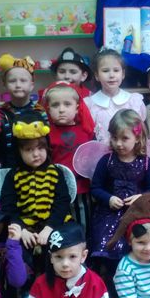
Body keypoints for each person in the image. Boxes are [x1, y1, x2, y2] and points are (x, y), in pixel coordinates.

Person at [0, 114, 73, 276]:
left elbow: (62, 203)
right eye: (29, 150)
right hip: (25, 227)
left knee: (66, 241)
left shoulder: (55, 172)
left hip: (54, 224)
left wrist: (49, 228)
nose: (36, 154)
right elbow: (7, 207)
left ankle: (58, 281)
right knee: (19, 251)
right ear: (19, 151)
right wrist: (22, 229)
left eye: (40, 148)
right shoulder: (13, 175)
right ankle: (26, 285)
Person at [89, 109, 150, 265]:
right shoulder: (106, 160)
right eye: (114, 138)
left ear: (137, 137)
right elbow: (96, 188)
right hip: (108, 214)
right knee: (104, 243)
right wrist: (109, 198)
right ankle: (107, 271)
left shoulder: (145, 162)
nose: (118, 143)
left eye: (124, 138)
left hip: (137, 213)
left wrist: (141, 198)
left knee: (136, 243)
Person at [43, 81, 95, 236]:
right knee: (61, 222)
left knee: (84, 220)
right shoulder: (46, 133)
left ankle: (85, 246)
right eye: (55, 105)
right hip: (56, 189)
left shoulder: (86, 131)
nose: (61, 109)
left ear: (77, 107)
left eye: (67, 104)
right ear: (48, 108)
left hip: (82, 187)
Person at [84, 48, 145, 144]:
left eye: (116, 70)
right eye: (105, 71)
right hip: (101, 152)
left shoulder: (134, 101)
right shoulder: (89, 104)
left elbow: (141, 132)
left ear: (123, 74)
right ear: (97, 75)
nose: (111, 75)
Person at [1, 56, 49, 124]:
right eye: (12, 81)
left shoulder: (39, 110)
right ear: (5, 85)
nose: (18, 85)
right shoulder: (2, 112)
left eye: (23, 80)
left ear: (32, 85)